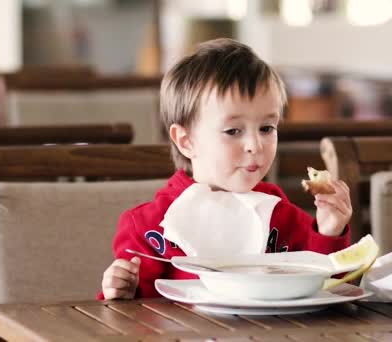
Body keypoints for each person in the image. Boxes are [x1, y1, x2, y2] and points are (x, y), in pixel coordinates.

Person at [99, 38, 352, 300]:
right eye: (233, 131)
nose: (255, 145)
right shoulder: (147, 227)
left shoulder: (280, 214)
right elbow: (127, 320)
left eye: (267, 128)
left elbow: (329, 290)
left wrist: (330, 231)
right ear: (187, 141)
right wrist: (120, 289)